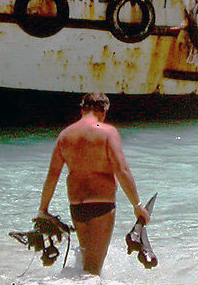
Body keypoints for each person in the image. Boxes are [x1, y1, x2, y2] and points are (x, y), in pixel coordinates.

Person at [37, 93, 151, 275]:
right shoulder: (107, 132)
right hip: (101, 207)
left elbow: (52, 177)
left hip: (77, 206)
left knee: (86, 262)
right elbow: (122, 170)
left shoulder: (65, 135)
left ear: (82, 110)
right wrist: (137, 206)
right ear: (104, 112)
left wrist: (43, 210)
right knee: (93, 270)